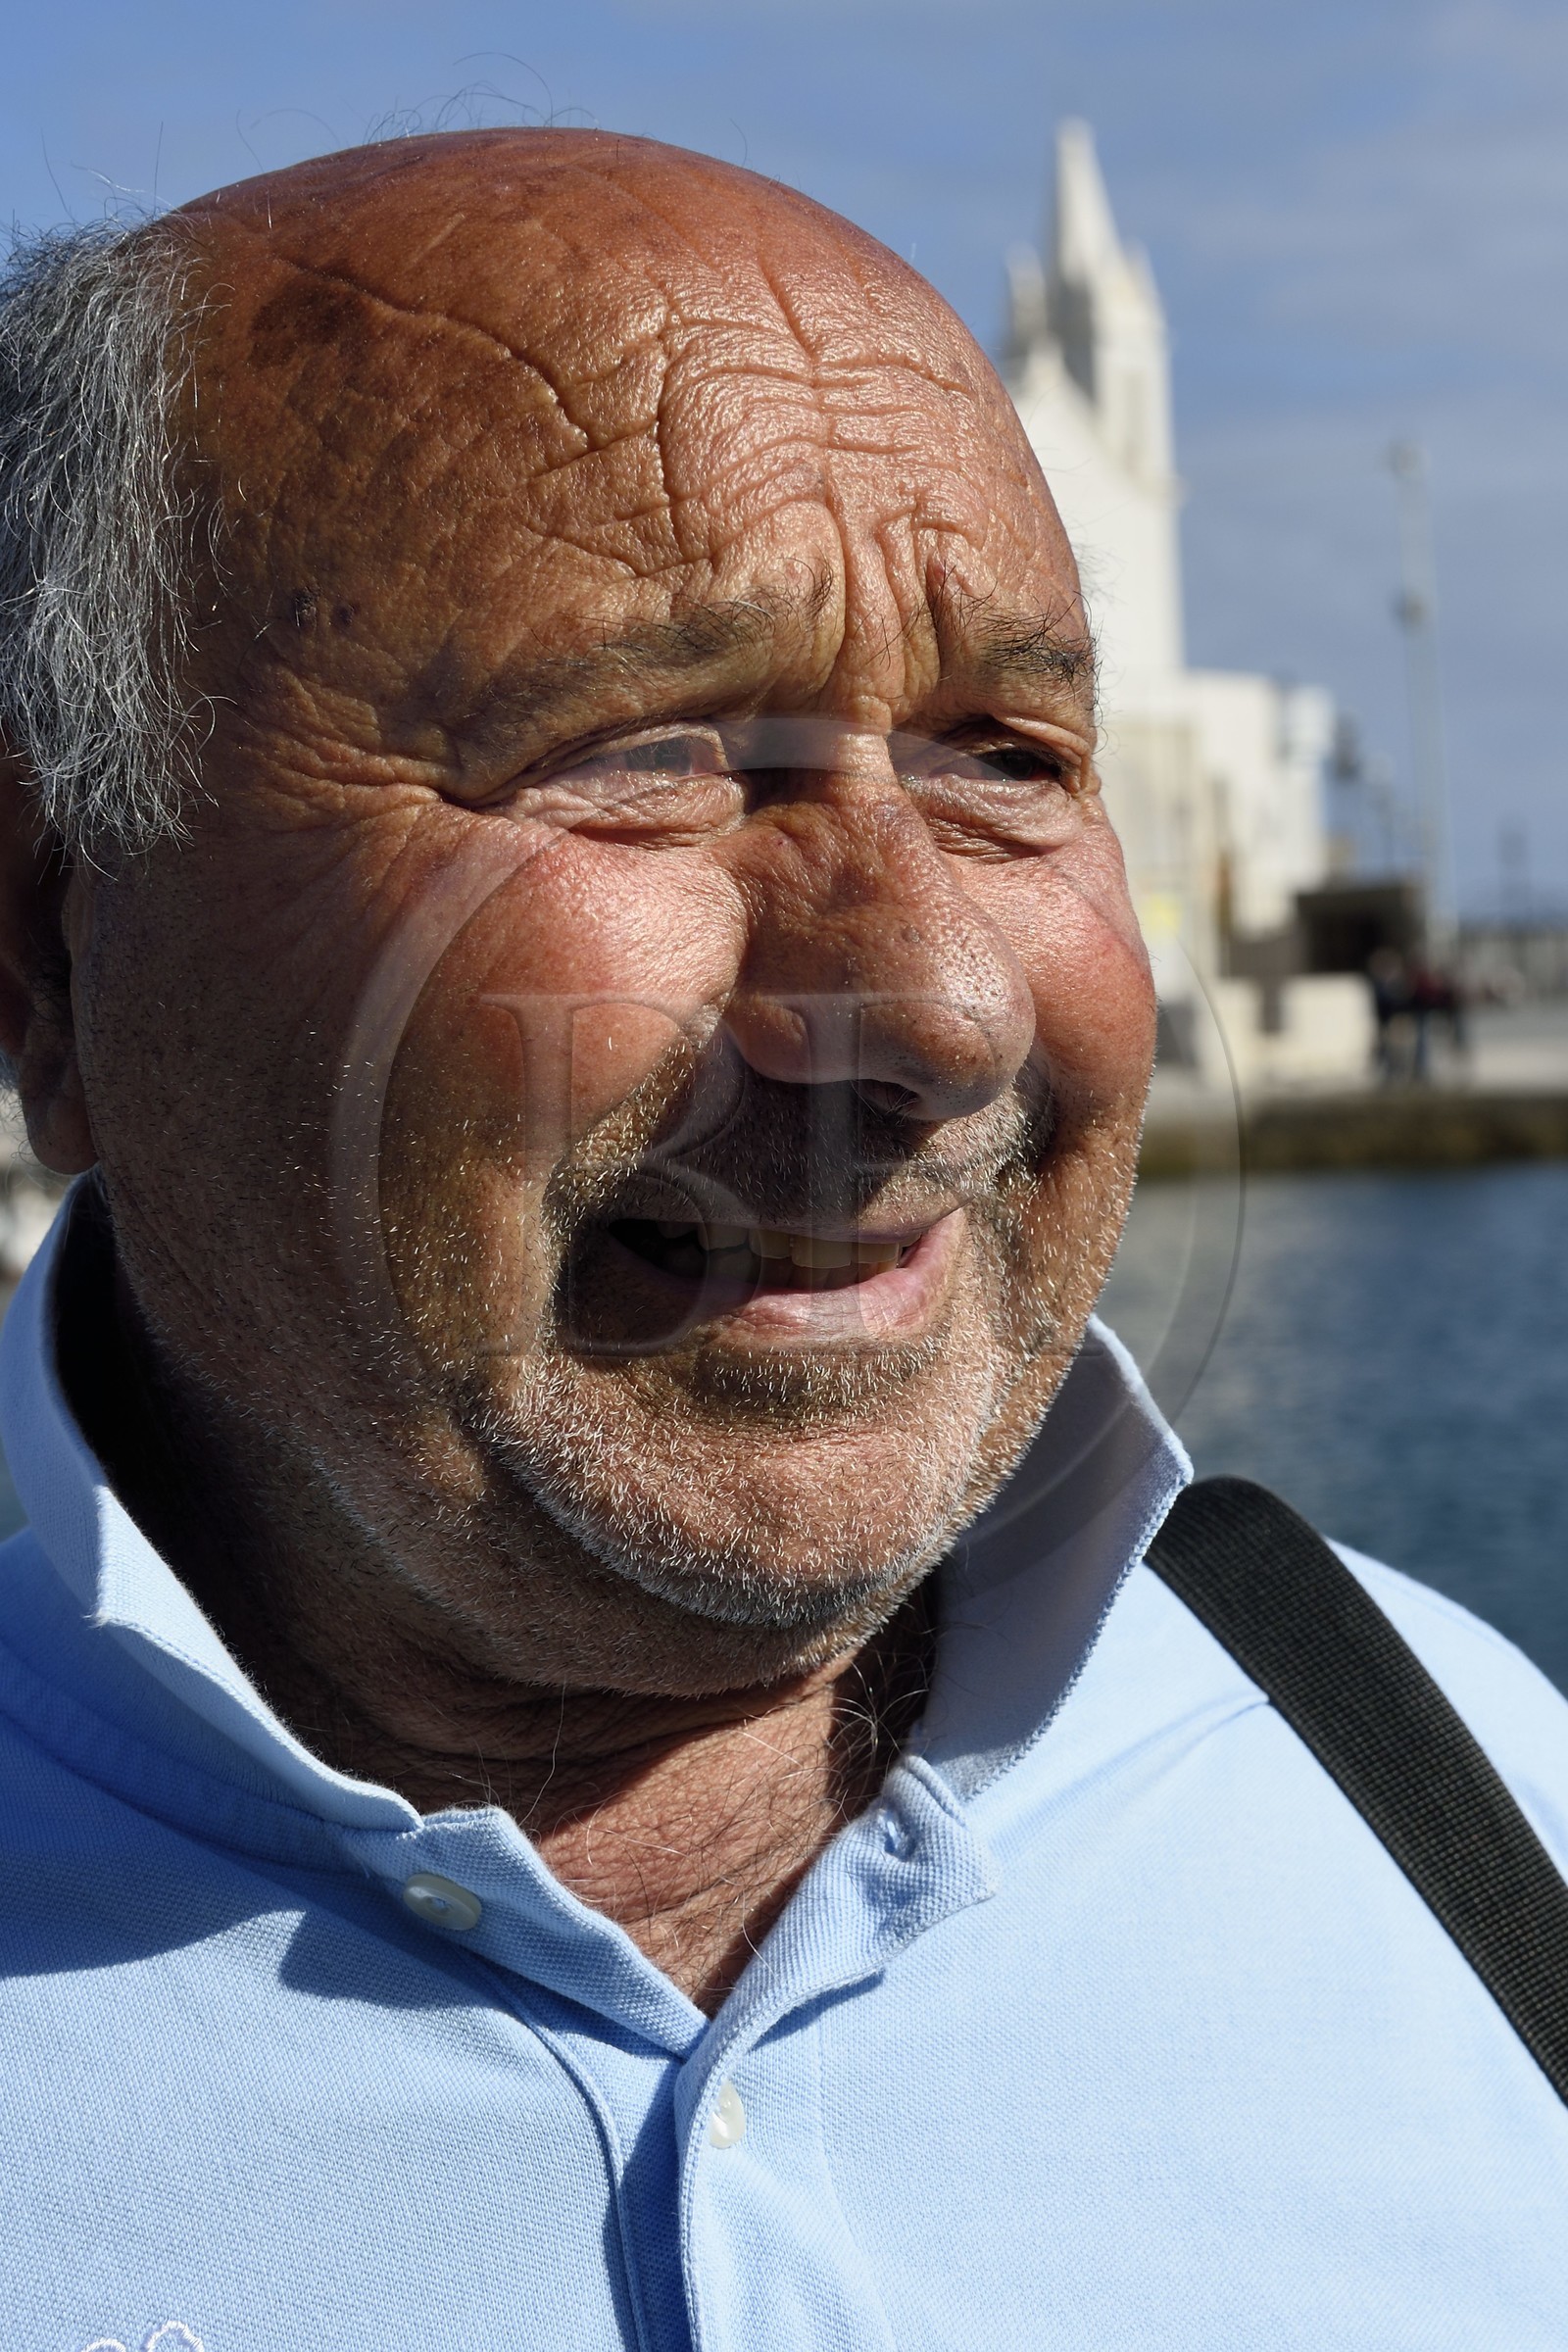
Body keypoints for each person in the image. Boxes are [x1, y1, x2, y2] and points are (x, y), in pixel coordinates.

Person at [0, 130, 1564, 2352]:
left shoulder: (1454, 1808)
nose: (938, 1006)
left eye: (1003, 756)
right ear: (46, 953)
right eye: (646, 752)